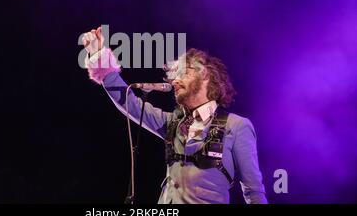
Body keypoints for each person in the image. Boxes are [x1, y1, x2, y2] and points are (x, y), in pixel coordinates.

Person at [81, 26, 268, 204]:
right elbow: (130, 104)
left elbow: (253, 190)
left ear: (205, 75)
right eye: (174, 76)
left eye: (183, 73)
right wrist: (99, 58)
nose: (175, 81)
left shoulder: (236, 126)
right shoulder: (172, 122)